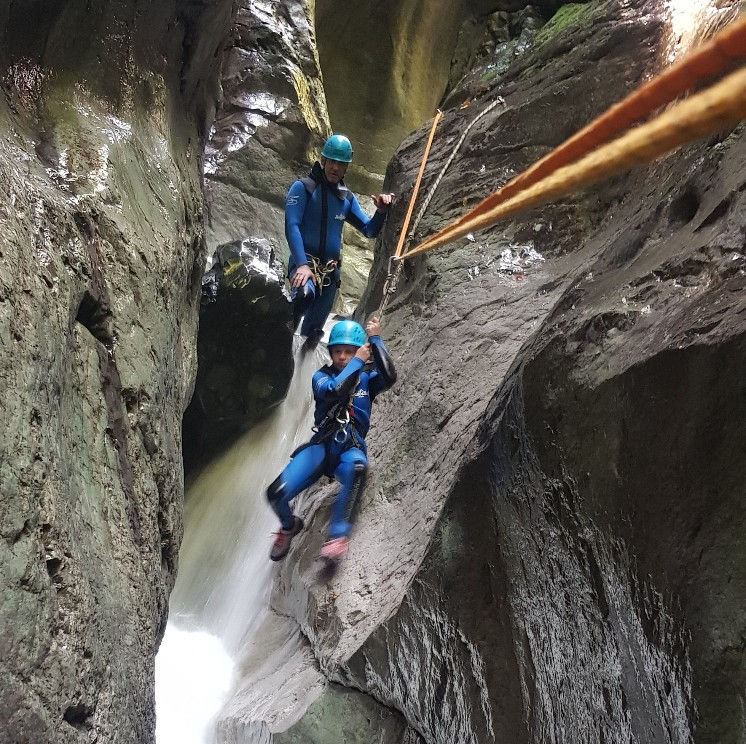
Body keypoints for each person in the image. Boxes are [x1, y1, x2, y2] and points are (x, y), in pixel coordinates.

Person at [266, 315, 397, 563]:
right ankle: (288, 525)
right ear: (331, 351)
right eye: (338, 351)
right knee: (275, 493)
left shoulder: (367, 380)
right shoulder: (321, 377)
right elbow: (336, 391)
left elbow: (389, 377)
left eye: (349, 352)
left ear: (358, 351)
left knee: (358, 468)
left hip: (349, 447)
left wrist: (377, 339)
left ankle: (338, 536)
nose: (343, 357)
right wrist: (358, 360)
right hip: (322, 447)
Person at [285, 134, 394, 347]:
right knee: (304, 295)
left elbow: (369, 230)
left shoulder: (346, 199)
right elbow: (292, 225)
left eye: (341, 163)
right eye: (332, 161)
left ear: (346, 168)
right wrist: (301, 265)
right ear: (323, 160)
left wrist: (381, 212)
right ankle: (280, 343)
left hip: (330, 275)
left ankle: (299, 369)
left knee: (314, 334)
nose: (335, 168)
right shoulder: (303, 188)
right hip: (305, 266)